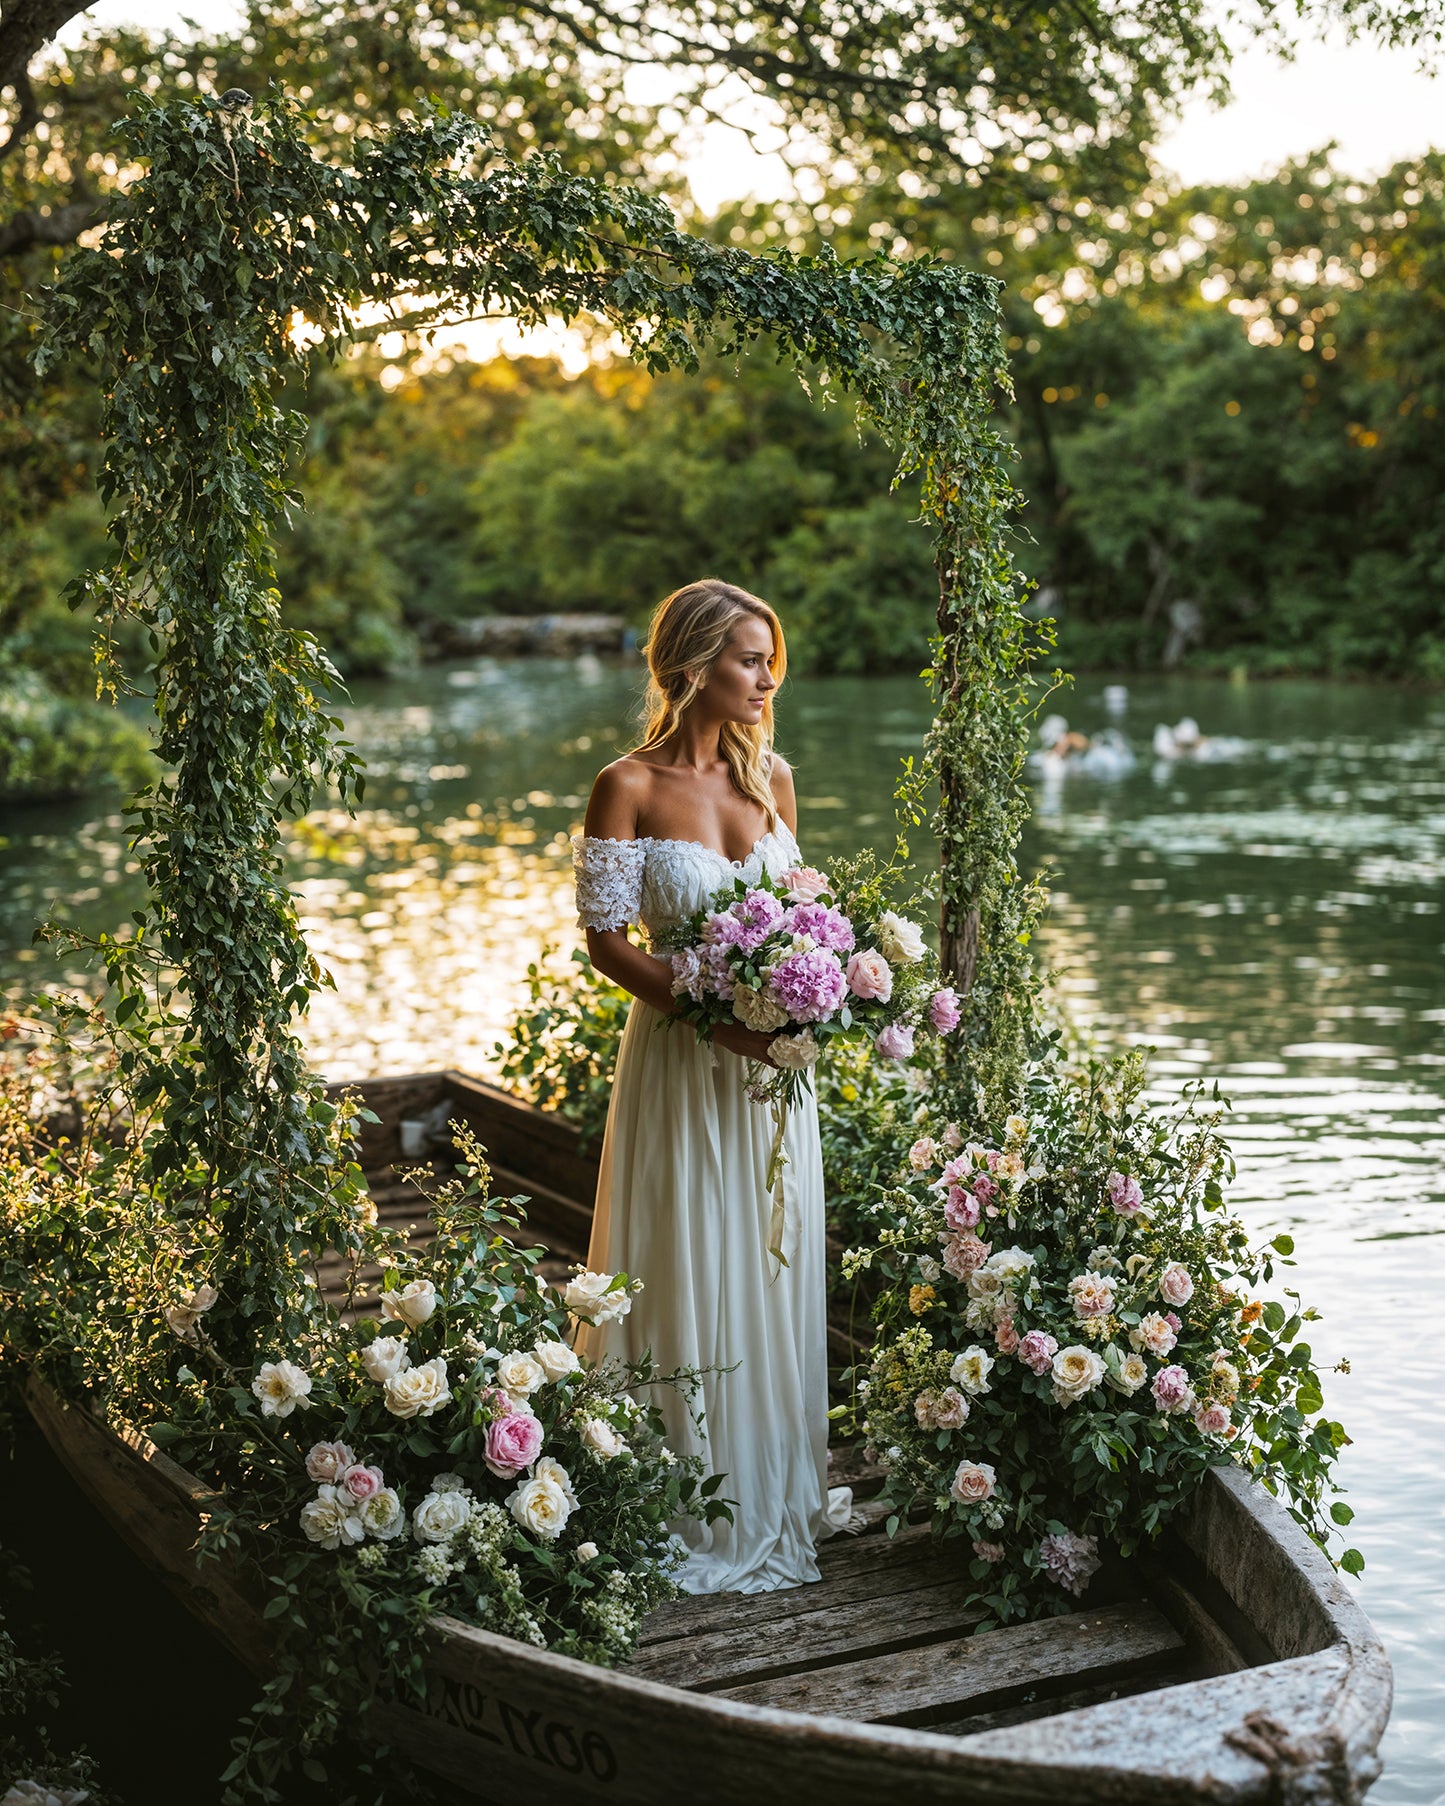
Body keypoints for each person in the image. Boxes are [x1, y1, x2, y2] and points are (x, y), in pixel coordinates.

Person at [569, 578, 854, 1594]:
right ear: (691, 665)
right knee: (689, 1250)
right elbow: (606, 944)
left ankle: (770, 1478)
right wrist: (709, 1016)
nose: (765, 677)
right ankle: (682, 1491)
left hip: (773, 1070)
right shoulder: (627, 785)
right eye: (746, 658)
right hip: (687, 1060)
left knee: (769, 1258)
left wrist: (810, 996)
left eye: (769, 657)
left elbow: (796, 917)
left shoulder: (772, 776)